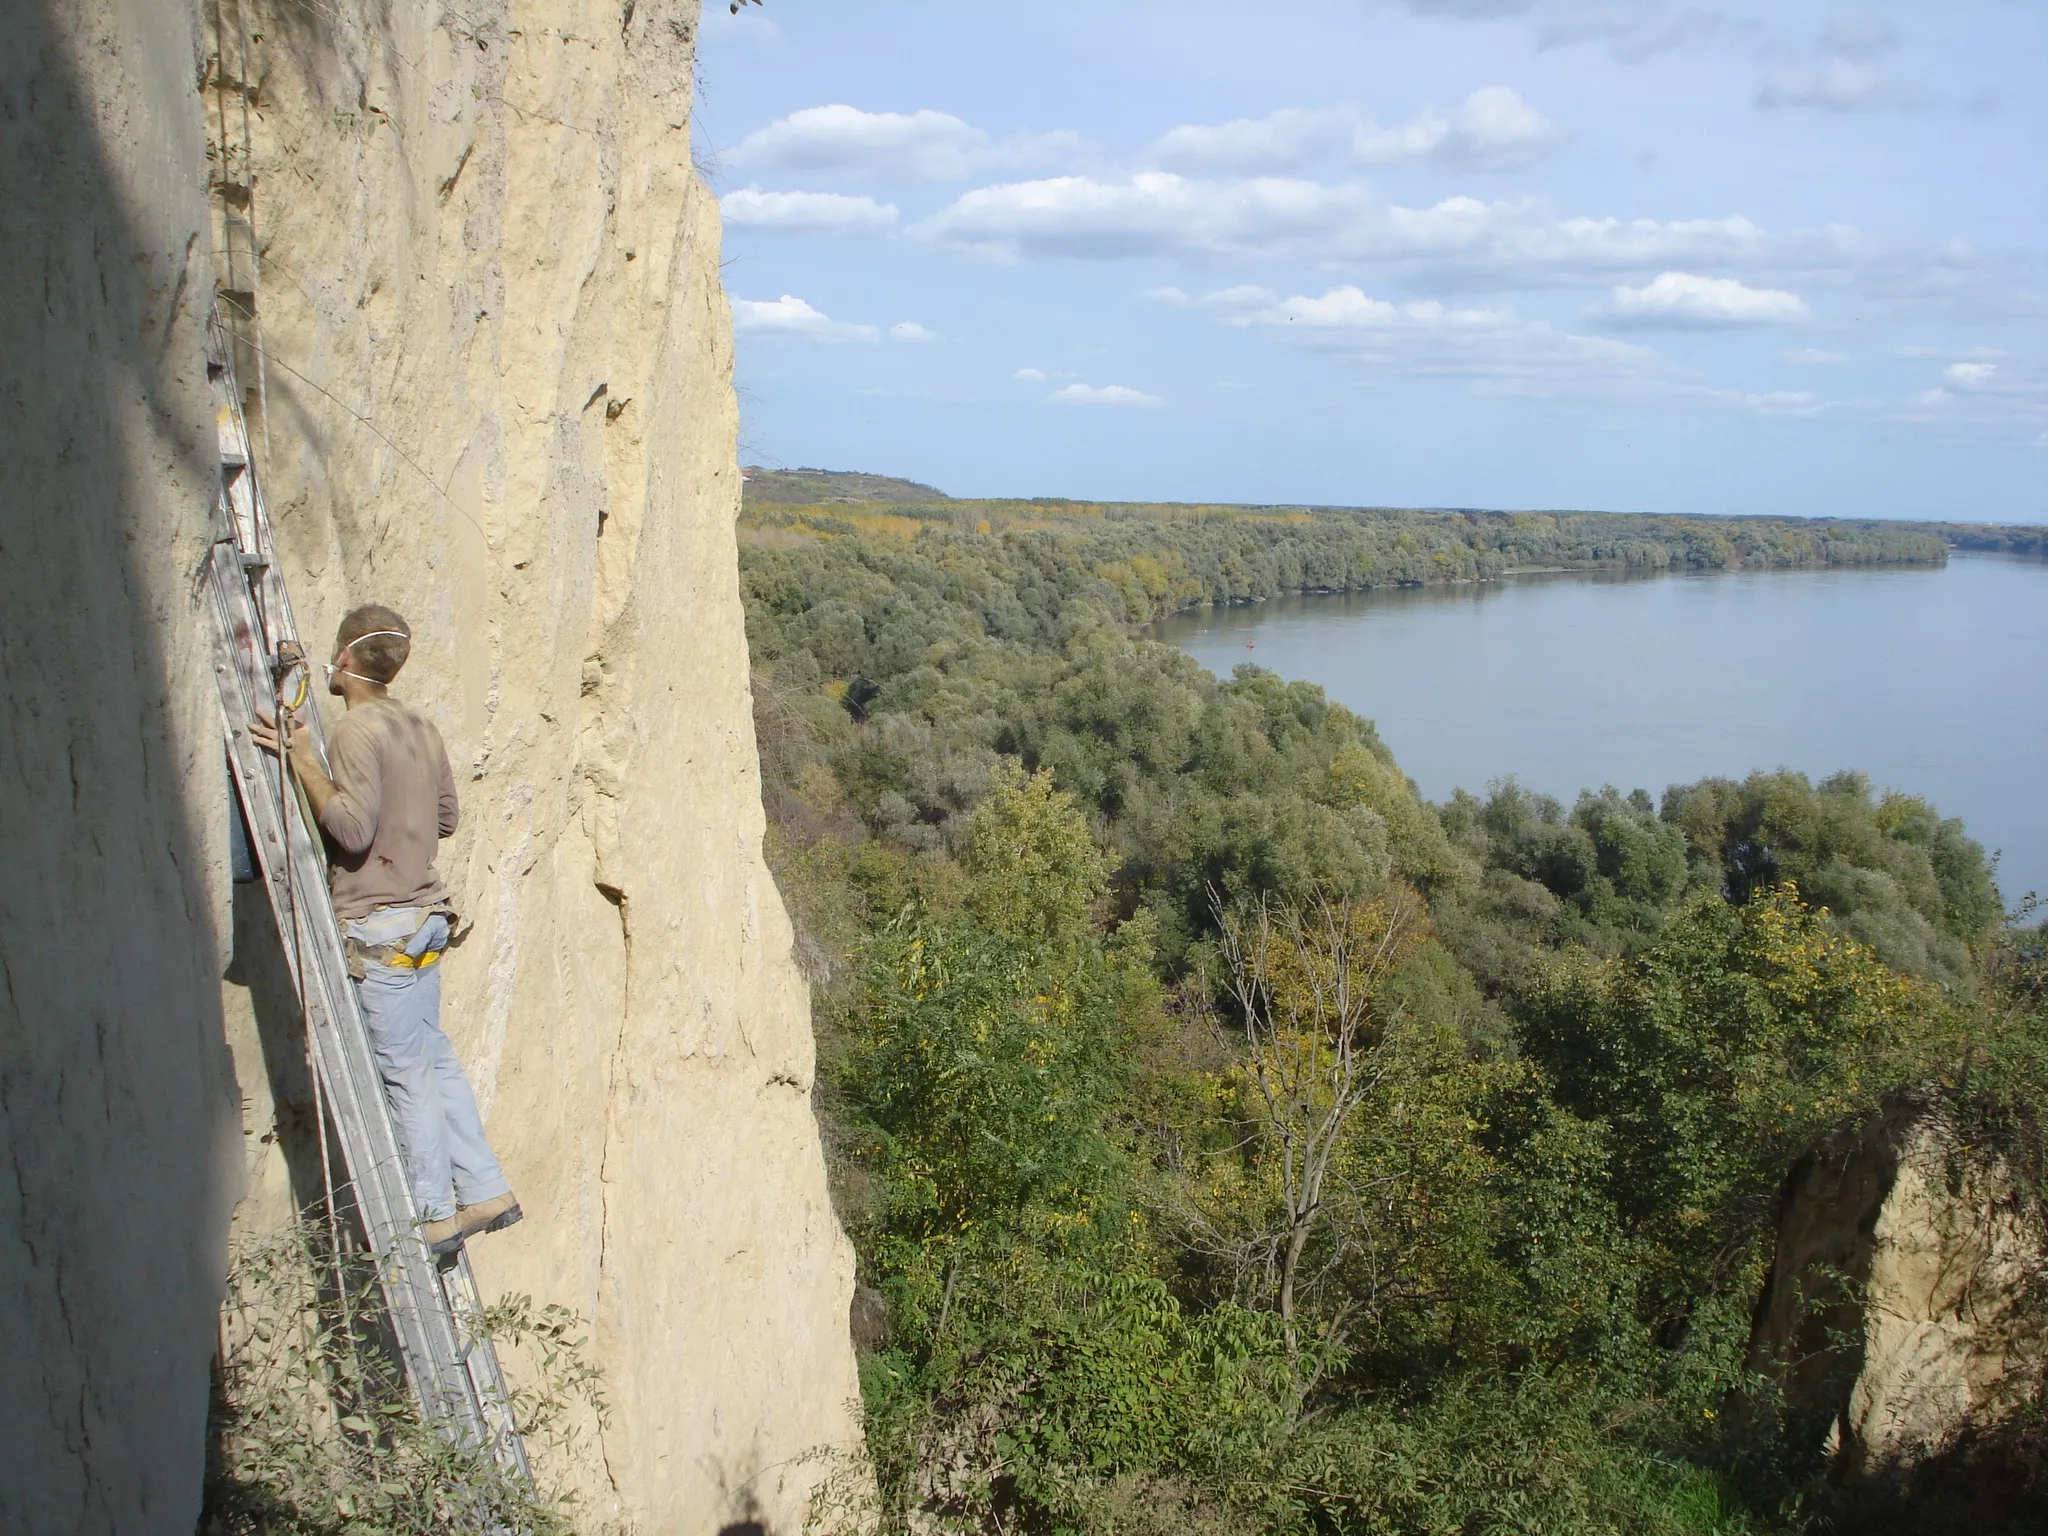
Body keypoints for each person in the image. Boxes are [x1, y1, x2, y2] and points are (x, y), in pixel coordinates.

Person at [251, 604, 520, 1257]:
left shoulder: (355, 731)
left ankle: (432, 1212)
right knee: (434, 1057)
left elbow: (348, 829)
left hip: (382, 924)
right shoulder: (419, 725)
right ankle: (485, 1187)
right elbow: (448, 817)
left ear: (346, 658)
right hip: (425, 920)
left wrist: (304, 760)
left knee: (404, 1071)